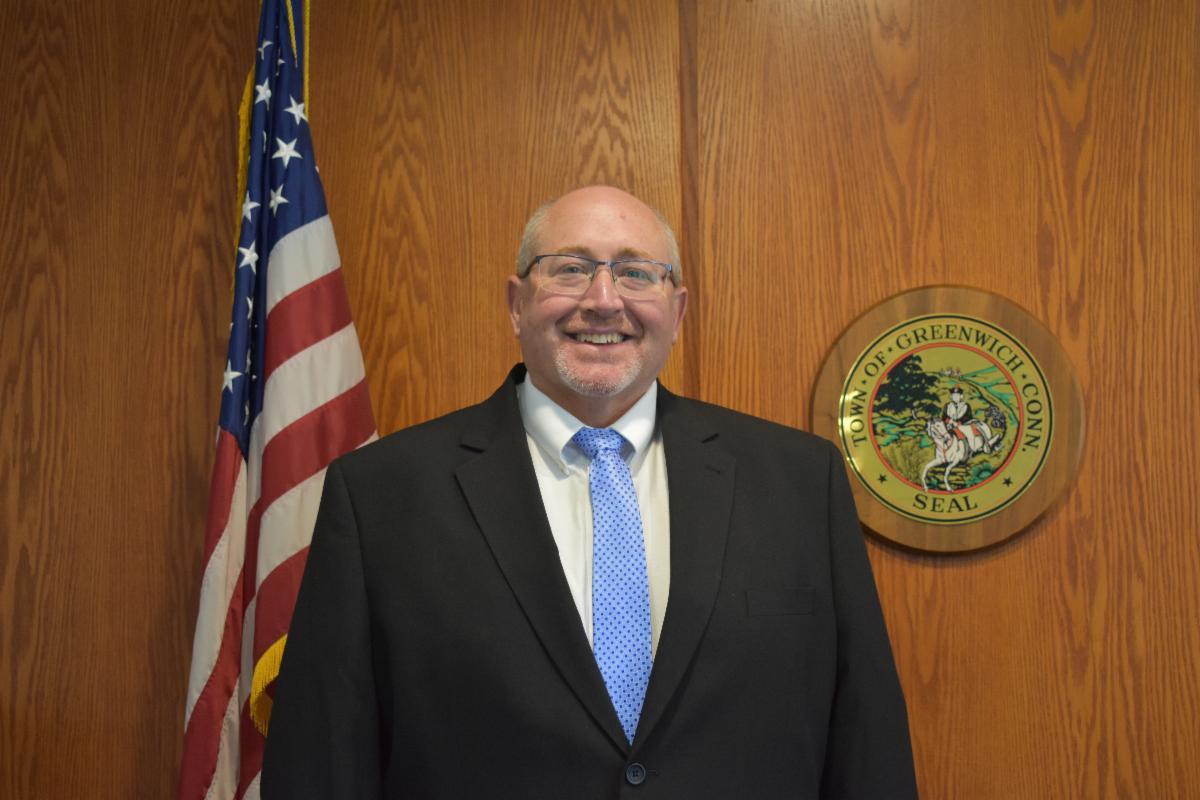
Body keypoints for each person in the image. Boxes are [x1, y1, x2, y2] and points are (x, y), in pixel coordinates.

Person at [262, 186, 918, 798]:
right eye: (570, 268)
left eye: (637, 273)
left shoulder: (801, 483)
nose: (604, 299)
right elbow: (324, 759)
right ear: (516, 303)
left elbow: (866, 743)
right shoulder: (380, 495)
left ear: (678, 310)